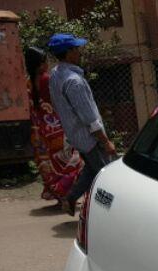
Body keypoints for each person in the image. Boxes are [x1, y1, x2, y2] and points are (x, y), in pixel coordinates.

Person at [47, 33, 116, 216]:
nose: (79, 52)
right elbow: (89, 118)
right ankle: (104, 213)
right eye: (76, 49)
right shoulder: (74, 82)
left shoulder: (55, 74)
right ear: (68, 53)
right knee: (106, 175)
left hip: (76, 135)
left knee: (92, 169)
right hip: (89, 138)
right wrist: (105, 141)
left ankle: (71, 198)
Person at [24, 47, 84, 205]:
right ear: (40, 64)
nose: (47, 64)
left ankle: (60, 196)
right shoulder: (46, 79)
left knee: (50, 164)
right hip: (57, 128)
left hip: (40, 131)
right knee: (74, 161)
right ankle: (66, 195)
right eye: (45, 61)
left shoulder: (28, 82)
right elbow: (57, 101)